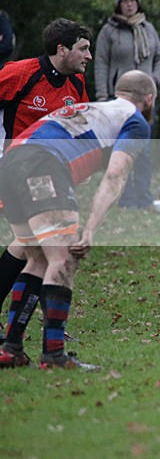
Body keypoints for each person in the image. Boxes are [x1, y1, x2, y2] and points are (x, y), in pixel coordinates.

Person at [0, 70, 156, 369]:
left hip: (11, 162)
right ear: (148, 99)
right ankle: (54, 354)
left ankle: (12, 348)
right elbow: (115, 175)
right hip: (42, 164)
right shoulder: (134, 120)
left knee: (37, 258)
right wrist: (91, 230)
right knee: (64, 258)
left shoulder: (96, 108)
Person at [0, 18, 92, 338]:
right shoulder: (20, 73)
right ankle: (51, 328)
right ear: (61, 49)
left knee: (31, 246)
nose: (89, 56)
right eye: (83, 48)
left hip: (49, 176)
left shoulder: (77, 86)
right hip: (17, 171)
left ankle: (30, 329)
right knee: (47, 248)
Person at [95, 0, 160, 210]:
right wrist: (102, 95)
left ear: (138, 3)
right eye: (124, 1)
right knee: (123, 148)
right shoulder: (108, 31)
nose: (128, 4)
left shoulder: (148, 28)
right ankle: (124, 198)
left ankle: (143, 197)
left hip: (146, 98)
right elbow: (101, 63)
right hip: (119, 98)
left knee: (144, 148)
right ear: (118, 4)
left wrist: (154, 80)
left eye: (132, 0)